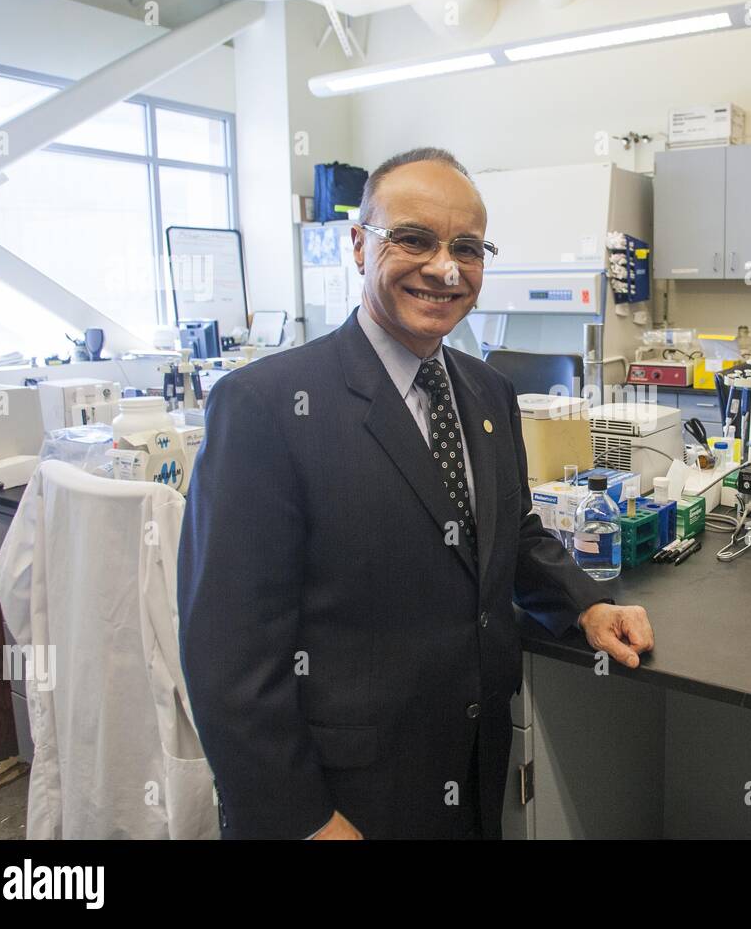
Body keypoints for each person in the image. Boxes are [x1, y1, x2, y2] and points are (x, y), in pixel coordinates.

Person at [178, 147, 655, 840]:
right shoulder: (267, 407)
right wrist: (300, 819)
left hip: (470, 763)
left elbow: (510, 531)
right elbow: (226, 654)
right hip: (343, 797)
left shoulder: (486, 391)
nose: (444, 267)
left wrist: (587, 604)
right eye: (413, 239)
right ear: (358, 244)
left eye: (467, 247)